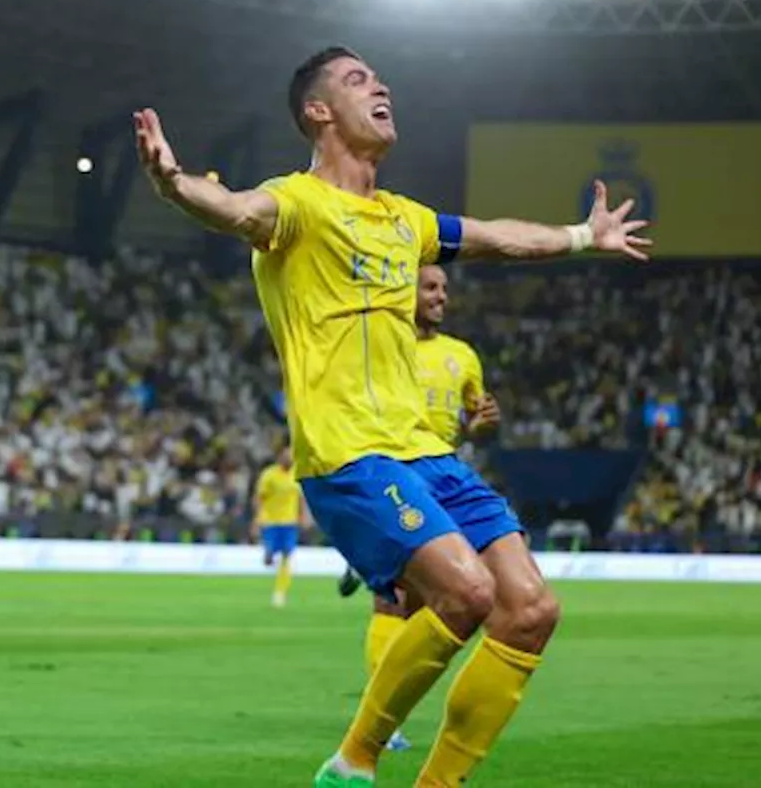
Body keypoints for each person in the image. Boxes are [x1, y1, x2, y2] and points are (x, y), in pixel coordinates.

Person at [133, 46, 650, 787]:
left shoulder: (405, 221)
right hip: (349, 455)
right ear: (318, 112)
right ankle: (353, 761)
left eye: (378, 79)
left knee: (531, 609)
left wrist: (580, 237)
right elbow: (237, 209)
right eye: (356, 80)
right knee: (466, 593)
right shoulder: (298, 204)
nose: (380, 87)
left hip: (429, 456)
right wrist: (172, 182)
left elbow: (498, 237)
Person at [339, 264, 502, 753]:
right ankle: (384, 729)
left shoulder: (462, 356)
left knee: (441, 601)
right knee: (392, 599)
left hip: (444, 472)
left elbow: (476, 419)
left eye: (444, 289)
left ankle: (357, 561)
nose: (441, 297)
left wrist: (483, 424)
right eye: (430, 288)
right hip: (391, 472)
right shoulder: (377, 344)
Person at [251, 444, 302, 608]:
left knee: (288, 555)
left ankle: (280, 592)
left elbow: (300, 496)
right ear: (279, 457)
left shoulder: (297, 474)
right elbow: (259, 497)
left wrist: (303, 516)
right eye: (286, 455)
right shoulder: (269, 475)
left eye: (291, 455)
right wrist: (257, 518)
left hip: (290, 521)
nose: (289, 458)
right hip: (271, 521)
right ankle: (269, 556)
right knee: (269, 556)